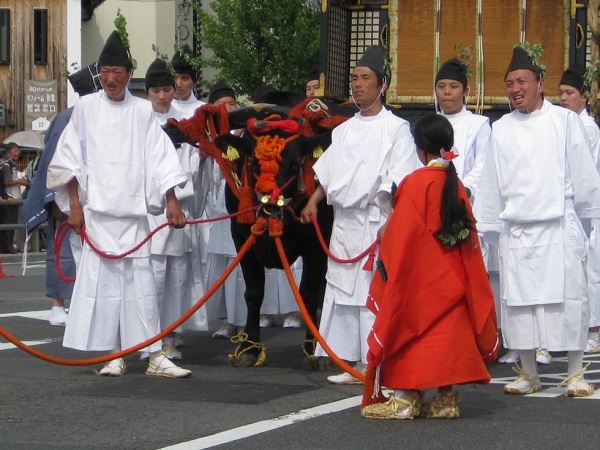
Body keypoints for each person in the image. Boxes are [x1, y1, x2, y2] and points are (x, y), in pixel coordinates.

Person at [47, 29, 192, 378]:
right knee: (105, 288)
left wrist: (172, 202)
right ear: (101, 74)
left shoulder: (142, 111)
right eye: (106, 71)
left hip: (134, 216)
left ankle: (154, 354)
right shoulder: (84, 108)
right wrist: (75, 207)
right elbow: (68, 161)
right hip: (97, 215)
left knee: (142, 288)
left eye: (118, 71)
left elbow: (160, 158)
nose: (112, 78)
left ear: (129, 74)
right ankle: (114, 354)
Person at [475, 45, 600, 396]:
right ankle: (528, 371)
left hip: (558, 223)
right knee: (520, 301)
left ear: (540, 83)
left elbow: (585, 175)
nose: (516, 89)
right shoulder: (500, 129)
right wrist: (488, 227)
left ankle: (575, 372)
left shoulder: (565, 121)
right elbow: (491, 182)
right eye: (510, 83)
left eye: (522, 81)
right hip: (517, 227)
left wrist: (587, 220)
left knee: (570, 298)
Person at [360, 114, 498, 420]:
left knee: (410, 330)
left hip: (421, 277)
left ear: (420, 149)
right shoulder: (456, 184)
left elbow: (403, 235)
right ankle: (445, 399)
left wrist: (387, 242)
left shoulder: (415, 182)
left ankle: (408, 398)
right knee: (449, 337)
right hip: (454, 277)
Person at [300, 45, 420, 384]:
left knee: (370, 292)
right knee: (341, 290)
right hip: (343, 222)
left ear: (382, 84)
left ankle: (374, 359)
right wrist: (314, 199)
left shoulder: (396, 128)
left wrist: (392, 220)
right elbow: (330, 170)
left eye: (365, 78)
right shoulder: (344, 129)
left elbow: (400, 178)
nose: (357, 84)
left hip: (374, 221)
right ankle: (349, 360)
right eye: (354, 78)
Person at [22, 62, 101, 326]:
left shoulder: (102, 114)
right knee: (62, 250)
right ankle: (58, 304)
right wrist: (54, 197)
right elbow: (53, 161)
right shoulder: (69, 117)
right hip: (66, 195)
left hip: (95, 195)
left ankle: (84, 302)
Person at [143, 57, 208, 360]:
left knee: (178, 275)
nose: (162, 95)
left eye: (166, 89)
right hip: (149, 209)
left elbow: (198, 162)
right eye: (155, 90)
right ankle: (149, 337)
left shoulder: (186, 119)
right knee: (152, 275)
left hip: (182, 204)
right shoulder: (139, 120)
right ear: (148, 92)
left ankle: (170, 334)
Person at [559, 62, 600, 354]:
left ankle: (594, 329)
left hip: (585, 207)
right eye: (560, 92)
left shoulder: (587, 127)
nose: (563, 98)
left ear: (584, 97)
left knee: (590, 269)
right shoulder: (563, 123)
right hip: (568, 204)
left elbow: (586, 170)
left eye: (569, 92)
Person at [202, 80, 247, 338]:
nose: (228, 109)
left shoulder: (247, 134)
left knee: (240, 268)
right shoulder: (208, 138)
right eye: (221, 105)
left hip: (241, 208)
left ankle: (242, 322)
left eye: (232, 104)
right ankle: (225, 320)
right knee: (220, 267)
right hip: (217, 211)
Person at [1, 143, 28, 253]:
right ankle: (7, 247)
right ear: (8, 152)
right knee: (9, 224)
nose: (17, 153)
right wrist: (20, 182)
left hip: (9, 197)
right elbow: (6, 182)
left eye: (18, 151)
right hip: (9, 198)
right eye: (15, 151)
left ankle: (8, 246)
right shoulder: (6, 165)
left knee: (9, 224)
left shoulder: (9, 164)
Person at [171, 44, 205, 117]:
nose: (178, 84)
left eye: (185, 78)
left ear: (196, 81)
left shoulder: (204, 110)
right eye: (174, 77)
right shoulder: (156, 109)